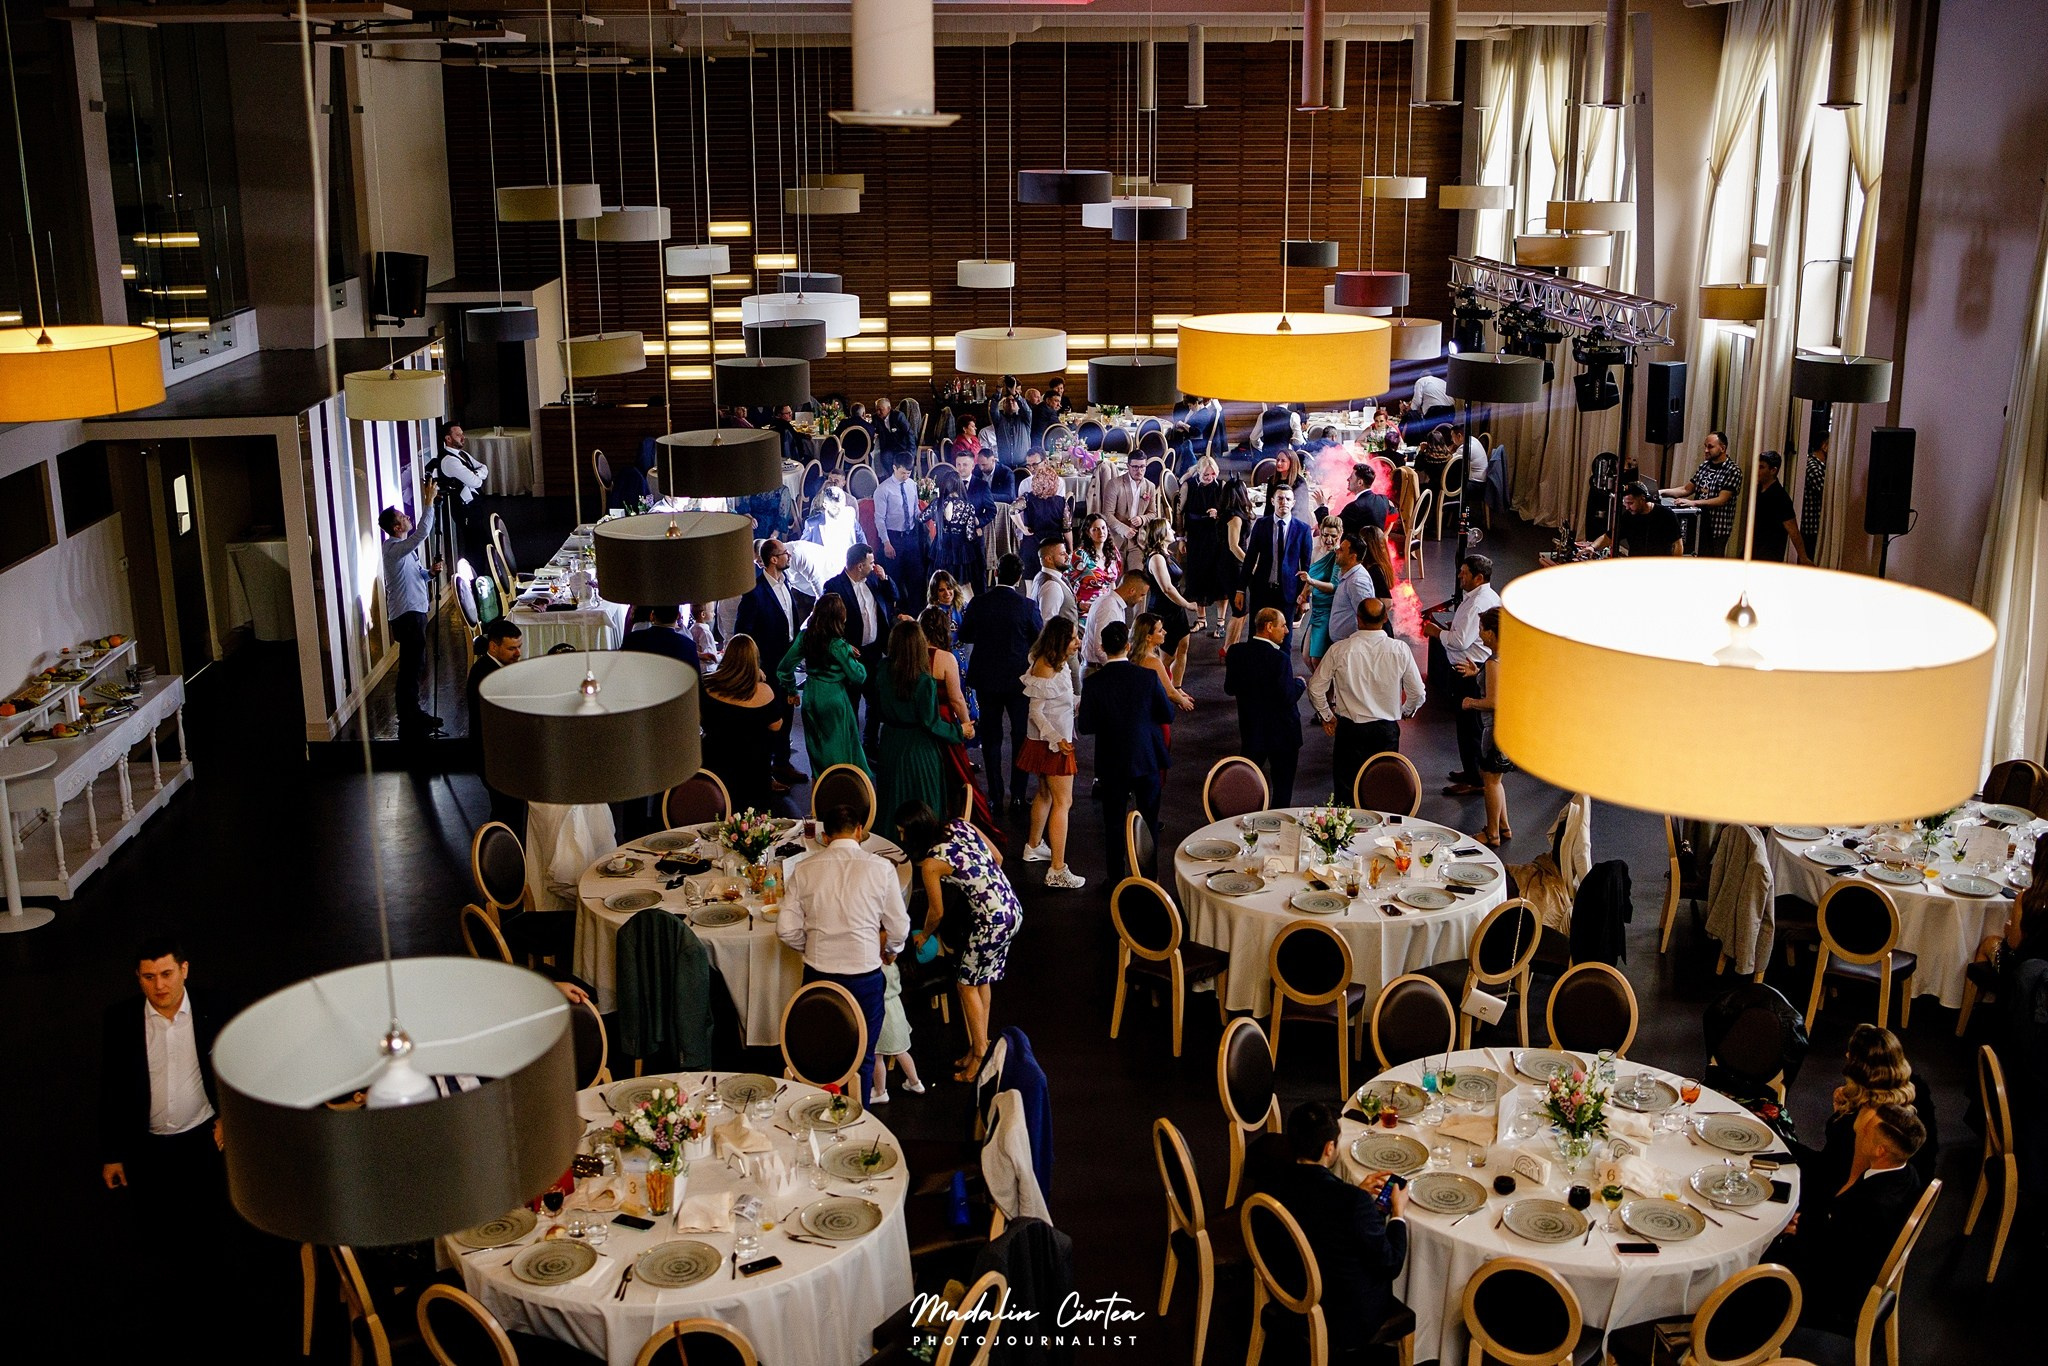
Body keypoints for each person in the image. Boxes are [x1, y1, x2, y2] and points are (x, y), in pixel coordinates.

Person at [777, 803, 910, 1104]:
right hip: (864, 978)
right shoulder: (882, 869)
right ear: (860, 831)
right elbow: (899, 927)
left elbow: (785, 929)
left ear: (825, 837)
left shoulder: (803, 869)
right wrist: (890, 951)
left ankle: (816, 1113)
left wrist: (811, 944)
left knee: (818, 1054)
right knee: (863, 1057)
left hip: (818, 977)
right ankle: (857, 1118)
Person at [1265, 1102, 1411, 1358]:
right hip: (1343, 1318)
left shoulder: (1273, 1176)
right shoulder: (1352, 1202)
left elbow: (1319, 1209)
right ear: (1329, 1148)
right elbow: (1391, 1264)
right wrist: (1398, 1214)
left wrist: (1356, 1193)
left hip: (1285, 1288)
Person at [1776, 1102, 1926, 1340]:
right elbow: (1845, 1232)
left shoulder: (1874, 1204)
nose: (1858, 1133)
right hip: (1850, 1257)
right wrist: (1807, 1223)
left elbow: (1833, 1257)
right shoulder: (1906, 1174)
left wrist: (1798, 1230)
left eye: (1866, 1132)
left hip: (1836, 1293)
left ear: (1880, 1151)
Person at [901, 804, 1024, 1080]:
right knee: (981, 980)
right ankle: (978, 1046)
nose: (901, 838)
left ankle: (980, 1057)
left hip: (990, 922)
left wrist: (925, 935)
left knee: (965, 984)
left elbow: (936, 912)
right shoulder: (959, 824)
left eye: (902, 832)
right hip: (1011, 909)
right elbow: (997, 857)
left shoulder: (931, 864)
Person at [101, 936, 224, 1204]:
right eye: (149, 977)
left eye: (166, 974)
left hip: (204, 1141)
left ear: (184, 970)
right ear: (138, 977)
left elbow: (237, 1067)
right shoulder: (120, 1020)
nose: (159, 986)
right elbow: (111, 1089)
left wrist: (228, 1118)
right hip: (147, 1148)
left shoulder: (215, 1008)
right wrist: (113, 1155)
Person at [1789, 1025, 1941, 1215]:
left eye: (1851, 1055)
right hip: (1890, 1184)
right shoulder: (1909, 1091)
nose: (1846, 1055)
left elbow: (1852, 1181)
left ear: (1860, 1068)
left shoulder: (1868, 1117)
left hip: (1840, 1189)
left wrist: (1814, 1218)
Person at [1077, 619, 1173, 883]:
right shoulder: (1147, 677)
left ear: (1102, 648)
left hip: (1111, 762)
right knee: (1150, 819)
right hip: (1146, 757)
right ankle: (1149, 877)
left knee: (1113, 823)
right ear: (1128, 646)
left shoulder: (1093, 683)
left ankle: (1115, 879)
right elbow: (1167, 713)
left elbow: (1085, 726)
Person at [1311, 599, 1425, 803]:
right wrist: (1406, 711)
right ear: (1385, 619)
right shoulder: (1399, 649)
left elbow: (1315, 687)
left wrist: (1328, 716)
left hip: (1349, 731)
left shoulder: (1339, 649)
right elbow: (1417, 692)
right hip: (1385, 731)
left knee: (1346, 794)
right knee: (1382, 791)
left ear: (1358, 619)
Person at [959, 553, 1043, 818]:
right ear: (1019, 578)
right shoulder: (1027, 606)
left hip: (987, 679)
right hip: (1018, 681)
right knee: (1020, 737)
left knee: (991, 738)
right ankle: (1017, 795)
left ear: (996, 573)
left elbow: (964, 634)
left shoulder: (979, 603)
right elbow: (1038, 639)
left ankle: (995, 796)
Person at [735, 539, 815, 788]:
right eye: (784, 553)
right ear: (773, 559)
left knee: (787, 712)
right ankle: (765, 772)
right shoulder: (754, 592)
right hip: (768, 666)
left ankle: (782, 762)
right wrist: (755, 666)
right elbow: (743, 632)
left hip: (787, 663)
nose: (788, 555)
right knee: (769, 717)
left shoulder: (786, 583)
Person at [873, 619, 968, 826]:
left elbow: (876, 708)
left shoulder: (882, 670)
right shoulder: (923, 681)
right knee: (922, 802)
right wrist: (959, 730)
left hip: (889, 743)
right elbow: (931, 722)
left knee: (891, 799)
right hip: (919, 749)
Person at [1425, 555, 1501, 797]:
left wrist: (1436, 632)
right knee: (1468, 726)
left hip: (1469, 671)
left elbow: (1460, 641)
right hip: (1472, 667)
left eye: (1465, 572)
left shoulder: (1478, 604)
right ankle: (1472, 770)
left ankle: (1476, 779)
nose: (1460, 575)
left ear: (1479, 577)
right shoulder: (1484, 597)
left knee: (1470, 728)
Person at [1019, 618, 1085, 889]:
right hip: (1052, 745)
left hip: (1047, 742)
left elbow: (1058, 702)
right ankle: (1057, 869)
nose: (1078, 642)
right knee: (1063, 802)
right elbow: (1035, 712)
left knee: (1045, 794)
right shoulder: (1045, 668)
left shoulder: (1055, 663)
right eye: (1073, 638)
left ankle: (1034, 846)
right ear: (1059, 641)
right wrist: (1057, 740)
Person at [776, 593, 870, 777]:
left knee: (817, 752)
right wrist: (852, 658)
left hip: (811, 695)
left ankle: (818, 789)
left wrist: (792, 690)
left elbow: (784, 668)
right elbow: (858, 676)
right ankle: (838, 789)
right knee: (837, 754)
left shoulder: (804, 637)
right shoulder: (838, 645)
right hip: (833, 697)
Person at [1224, 608, 1307, 806]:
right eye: (1283, 626)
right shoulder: (1280, 659)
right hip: (1283, 734)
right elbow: (1287, 697)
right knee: (1282, 789)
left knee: (1247, 784)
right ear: (1269, 627)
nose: (1286, 631)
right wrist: (1299, 684)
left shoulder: (1235, 652)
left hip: (1252, 731)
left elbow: (1229, 688)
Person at [699, 636, 788, 816]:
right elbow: (776, 725)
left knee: (715, 818)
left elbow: (698, 719)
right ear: (755, 660)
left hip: (716, 764)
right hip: (754, 770)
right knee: (753, 823)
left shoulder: (707, 686)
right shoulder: (764, 692)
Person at [824, 542, 899, 746]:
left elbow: (894, 597)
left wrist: (885, 579)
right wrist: (844, 647)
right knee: (852, 702)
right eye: (871, 563)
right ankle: (852, 746)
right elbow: (828, 625)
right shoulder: (833, 587)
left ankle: (870, 742)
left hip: (873, 651)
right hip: (850, 655)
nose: (874, 566)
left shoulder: (874, 580)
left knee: (875, 701)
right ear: (859, 566)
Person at [379, 496, 441, 738]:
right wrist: (429, 502)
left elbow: (417, 575)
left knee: (413, 665)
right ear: (397, 527)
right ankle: (409, 714)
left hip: (413, 612)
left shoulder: (402, 550)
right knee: (411, 667)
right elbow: (422, 533)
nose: (407, 517)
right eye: (402, 517)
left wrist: (430, 573)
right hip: (407, 616)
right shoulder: (394, 549)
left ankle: (410, 712)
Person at [1457, 608, 1515, 846]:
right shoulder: (1508, 656)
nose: (1479, 633)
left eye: (1482, 629)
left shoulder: (1493, 662)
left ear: (1491, 633)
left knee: (1490, 781)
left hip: (1494, 730)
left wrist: (1470, 702)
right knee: (1495, 779)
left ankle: (1492, 834)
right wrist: (1477, 674)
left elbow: (1493, 702)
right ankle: (1503, 826)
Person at [1238, 484, 1315, 644]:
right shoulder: (1261, 525)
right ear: (1272, 501)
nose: (1284, 502)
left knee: (1284, 640)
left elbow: (1306, 566)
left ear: (1293, 503)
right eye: (1280, 498)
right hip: (1262, 590)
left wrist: (1305, 597)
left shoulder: (1303, 529)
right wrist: (1241, 589)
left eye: (1288, 499)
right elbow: (1250, 558)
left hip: (1288, 592)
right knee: (1256, 637)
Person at [1662, 430, 1743, 558]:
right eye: (1705, 446)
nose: (1706, 450)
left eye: (1710, 447)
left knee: (1712, 562)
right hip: (1699, 525)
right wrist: (1661, 492)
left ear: (1722, 448)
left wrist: (1692, 503)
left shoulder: (1733, 470)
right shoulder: (1705, 466)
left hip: (1717, 528)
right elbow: (1687, 489)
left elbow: (1722, 499)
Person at [1138, 518, 1198, 686]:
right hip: (1163, 609)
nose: (1173, 531)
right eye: (1169, 529)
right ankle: (1162, 689)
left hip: (1175, 607)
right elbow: (1167, 588)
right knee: (1167, 656)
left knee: (1183, 645)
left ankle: (1176, 686)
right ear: (1161, 534)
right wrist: (1187, 604)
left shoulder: (1166, 553)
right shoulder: (1156, 557)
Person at [1180, 456, 1232, 636]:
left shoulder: (1221, 486)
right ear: (1198, 472)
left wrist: (1219, 513)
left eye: (1212, 474)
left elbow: (1230, 512)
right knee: (1197, 578)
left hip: (1216, 538)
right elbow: (1180, 514)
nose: (1210, 478)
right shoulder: (1189, 486)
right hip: (1196, 537)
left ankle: (1221, 622)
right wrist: (1181, 538)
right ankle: (1201, 619)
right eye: (1206, 475)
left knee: (1219, 581)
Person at [870, 952, 926, 1105]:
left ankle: (880, 1091)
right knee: (901, 1052)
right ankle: (915, 1082)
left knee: (877, 1055)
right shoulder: (893, 966)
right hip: (896, 1009)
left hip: (882, 1012)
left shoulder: (876, 969)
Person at [432, 423, 488, 564]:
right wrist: (475, 475)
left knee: (479, 542)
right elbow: (476, 482)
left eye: (462, 434)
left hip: (474, 505)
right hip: (464, 508)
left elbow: (484, 468)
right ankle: (475, 574)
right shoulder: (450, 461)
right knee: (473, 545)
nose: (463, 438)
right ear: (448, 438)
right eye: (458, 435)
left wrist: (475, 473)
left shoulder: (462, 454)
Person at [931, 464, 990, 592]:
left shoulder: (937, 504)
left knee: (940, 585)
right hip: (960, 551)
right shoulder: (968, 506)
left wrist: (936, 520)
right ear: (959, 485)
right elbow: (970, 535)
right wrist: (977, 533)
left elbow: (921, 517)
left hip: (941, 549)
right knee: (964, 587)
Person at [1132, 612, 1195, 728]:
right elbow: (1169, 692)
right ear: (1148, 637)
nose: (1165, 632)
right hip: (1154, 716)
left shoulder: (1133, 655)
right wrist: (1183, 701)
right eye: (1160, 631)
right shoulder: (1152, 661)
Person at [1083, 568, 1153, 670]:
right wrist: (1120, 670)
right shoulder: (1109, 607)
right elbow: (1100, 648)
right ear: (1132, 591)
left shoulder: (1112, 603)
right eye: (1141, 595)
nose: (1141, 600)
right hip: (1098, 670)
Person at [1297, 517, 1345, 666]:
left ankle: (1324, 681)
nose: (1329, 540)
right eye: (1325, 535)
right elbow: (1310, 578)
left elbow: (1333, 586)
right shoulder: (1316, 551)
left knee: (1316, 659)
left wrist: (1311, 582)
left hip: (1328, 610)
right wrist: (1304, 595)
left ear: (1340, 534)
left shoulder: (1338, 555)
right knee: (1306, 656)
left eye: (1333, 536)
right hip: (1316, 608)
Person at [1590, 481, 1684, 557]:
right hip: (1636, 565)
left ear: (1642, 498)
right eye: (1625, 503)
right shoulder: (1628, 517)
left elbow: (1677, 545)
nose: (1627, 507)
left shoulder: (1666, 515)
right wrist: (1592, 547)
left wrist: (1673, 567)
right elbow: (1608, 537)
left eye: (1630, 503)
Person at [1750, 451, 1810, 564]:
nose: (1757, 471)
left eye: (1761, 467)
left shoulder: (1780, 497)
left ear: (1773, 470)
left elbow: (1793, 530)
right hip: (1753, 548)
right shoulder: (1757, 490)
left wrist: (1803, 557)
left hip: (1769, 553)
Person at [1101, 459, 1161, 569]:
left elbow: (1153, 513)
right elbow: (1107, 514)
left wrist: (1142, 519)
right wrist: (1124, 529)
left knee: (1137, 574)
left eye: (1142, 467)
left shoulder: (1150, 486)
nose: (1139, 471)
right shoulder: (1114, 484)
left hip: (1138, 541)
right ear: (1128, 466)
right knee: (1116, 572)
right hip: (1116, 538)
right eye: (1135, 467)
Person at [1218, 474, 1254, 651]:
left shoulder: (1230, 514)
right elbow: (1234, 546)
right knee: (1239, 610)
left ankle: (1234, 645)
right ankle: (1228, 648)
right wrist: (1250, 565)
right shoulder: (1235, 518)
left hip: (1232, 564)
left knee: (1243, 610)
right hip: (1233, 566)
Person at [1015, 462, 1070, 572]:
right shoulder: (1061, 502)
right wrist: (1070, 548)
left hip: (1031, 543)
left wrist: (1022, 528)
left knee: (1031, 580)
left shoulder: (1027, 498)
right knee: (1054, 577)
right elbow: (1067, 529)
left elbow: (1012, 510)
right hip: (1054, 546)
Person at [620, 604, 701, 672]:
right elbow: (697, 682)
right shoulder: (688, 646)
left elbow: (620, 670)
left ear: (652, 616)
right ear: (678, 616)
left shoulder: (631, 640)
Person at [802, 483, 867, 565]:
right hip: (824, 566)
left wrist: (865, 558)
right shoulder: (812, 524)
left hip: (848, 565)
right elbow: (803, 549)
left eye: (841, 507)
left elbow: (861, 539)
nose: (839, 511)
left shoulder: (850, 516)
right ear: (825, 505)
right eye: (835, 508)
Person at [1338, 461, 1396, 545]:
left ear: (1360, 483)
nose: (1348, 479)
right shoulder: (1383, 499)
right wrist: (1383, 536)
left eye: (1351, 477)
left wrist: (1322, 505)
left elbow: (1331, 527)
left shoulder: (1354, 507)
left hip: (1354, 552)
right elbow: (1394, 514)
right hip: (1377, 549)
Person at [872, 396, 917, 462]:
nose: (878, 412)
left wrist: (911, 452)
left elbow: (909, 433)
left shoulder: (898, 416)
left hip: (902, 447)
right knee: (884, 457)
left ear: (889, 408)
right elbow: (872, 429)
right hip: (888, 448)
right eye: (877, 410)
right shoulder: (875, 418)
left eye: (881, 409)